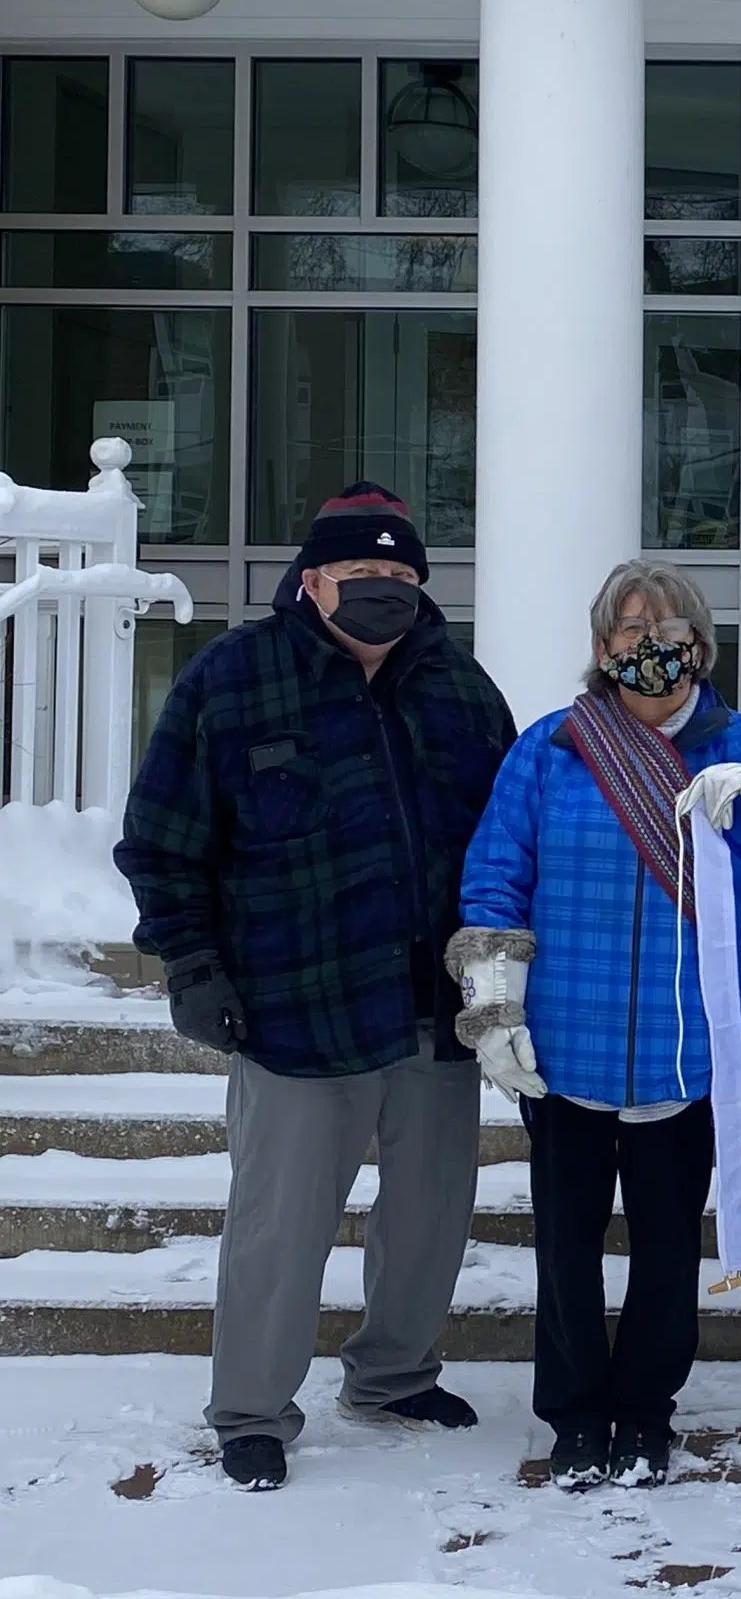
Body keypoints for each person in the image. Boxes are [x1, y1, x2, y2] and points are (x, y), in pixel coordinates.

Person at [116, 484, 517, 1493]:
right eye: (359, 576)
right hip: (295, 1005)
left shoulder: (461, 689)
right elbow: (162, 844)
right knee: (281, 1225)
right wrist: (194, 966)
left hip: (434, 1011)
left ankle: (393, 1376)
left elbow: (510, 847)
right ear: (311, 581)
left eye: (398, 577)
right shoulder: (232, 681)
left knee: (430, 1216)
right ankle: (252, 1407)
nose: (381, 591)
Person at [449, 562, 741, 1490]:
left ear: (699, 642)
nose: (647, 645)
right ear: (602, 648)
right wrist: (494, 1002)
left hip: (687, 1051)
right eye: (626, 630)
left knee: (665, 1248)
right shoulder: (551, 750)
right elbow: (497, 876)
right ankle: (572, 1416)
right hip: (567, 1043)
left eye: (666, 627)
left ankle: (647, 1413)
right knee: (565, 1245)